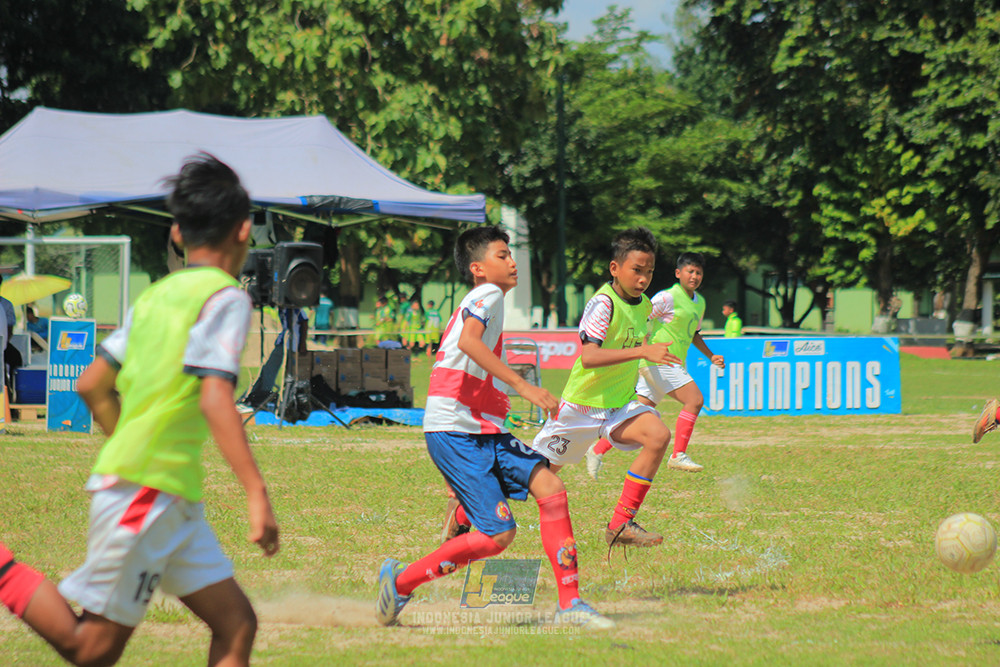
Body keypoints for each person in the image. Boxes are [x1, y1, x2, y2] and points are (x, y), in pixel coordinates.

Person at [0, 153, 279, 667]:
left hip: (172, 499)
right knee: (91, 650)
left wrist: (124, 439)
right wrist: (257, 493)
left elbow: (92, 383)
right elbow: (214, 395)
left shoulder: (156, 296)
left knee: (237, 624)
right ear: (244, 231)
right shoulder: (225, 298)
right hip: (148, 492)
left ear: (177, 233)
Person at [376, 225, 615, 630]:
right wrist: (524, 385)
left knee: (552, 488)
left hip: (481, 429)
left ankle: (570, 604)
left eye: (510, 254)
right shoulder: (486, 294)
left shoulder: (488, 299)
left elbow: (469, 357)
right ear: (478, 268)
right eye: (501, 255)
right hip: (454, 431)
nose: (512, 261)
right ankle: (400, 582)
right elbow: (470, 343)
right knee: (498, 536)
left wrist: (510, 388)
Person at [525, 227, 681, 550]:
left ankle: (620, 524)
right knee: (532, 479)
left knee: (658, 435)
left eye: (649, 272)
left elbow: (635, 343)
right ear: (615, 268)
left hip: (619, 406)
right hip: (580, 410)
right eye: (636, 270)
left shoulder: (643, 306)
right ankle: (467, 505)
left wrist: (652, 354)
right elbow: (590, 355)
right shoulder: (602, 304)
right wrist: (642, 352)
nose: (643, 279)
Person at [586, 252, 724, 478]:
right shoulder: (668, 297)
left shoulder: (700, 303)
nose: (695, 276)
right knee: (695, 400)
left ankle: (597, 449)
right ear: (678, 273)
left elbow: (694, 334)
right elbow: (642, 316)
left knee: (636, 414)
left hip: (668, 364)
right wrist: (645, 347)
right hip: (658, 361)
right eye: (690, 271)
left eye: (699, 272)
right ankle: (678, 455)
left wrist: (711, 356)